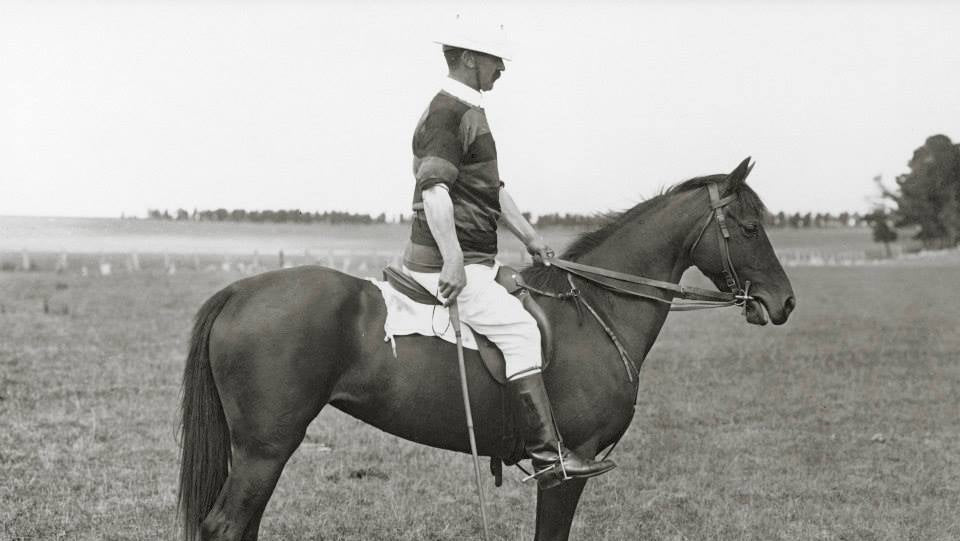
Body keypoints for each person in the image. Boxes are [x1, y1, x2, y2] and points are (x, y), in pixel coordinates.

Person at [401, 18, 615, 488]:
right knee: (520, 332)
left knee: (528, 297)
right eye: (496, 60)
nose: (501, 69)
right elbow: (435, 191)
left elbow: (489, 190)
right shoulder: (446, 112)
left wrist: (530, 237)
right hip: (447, 264)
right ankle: (548, 456)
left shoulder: (469, 110)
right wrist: (453, 260)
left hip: (479, 259)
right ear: (470, 59)